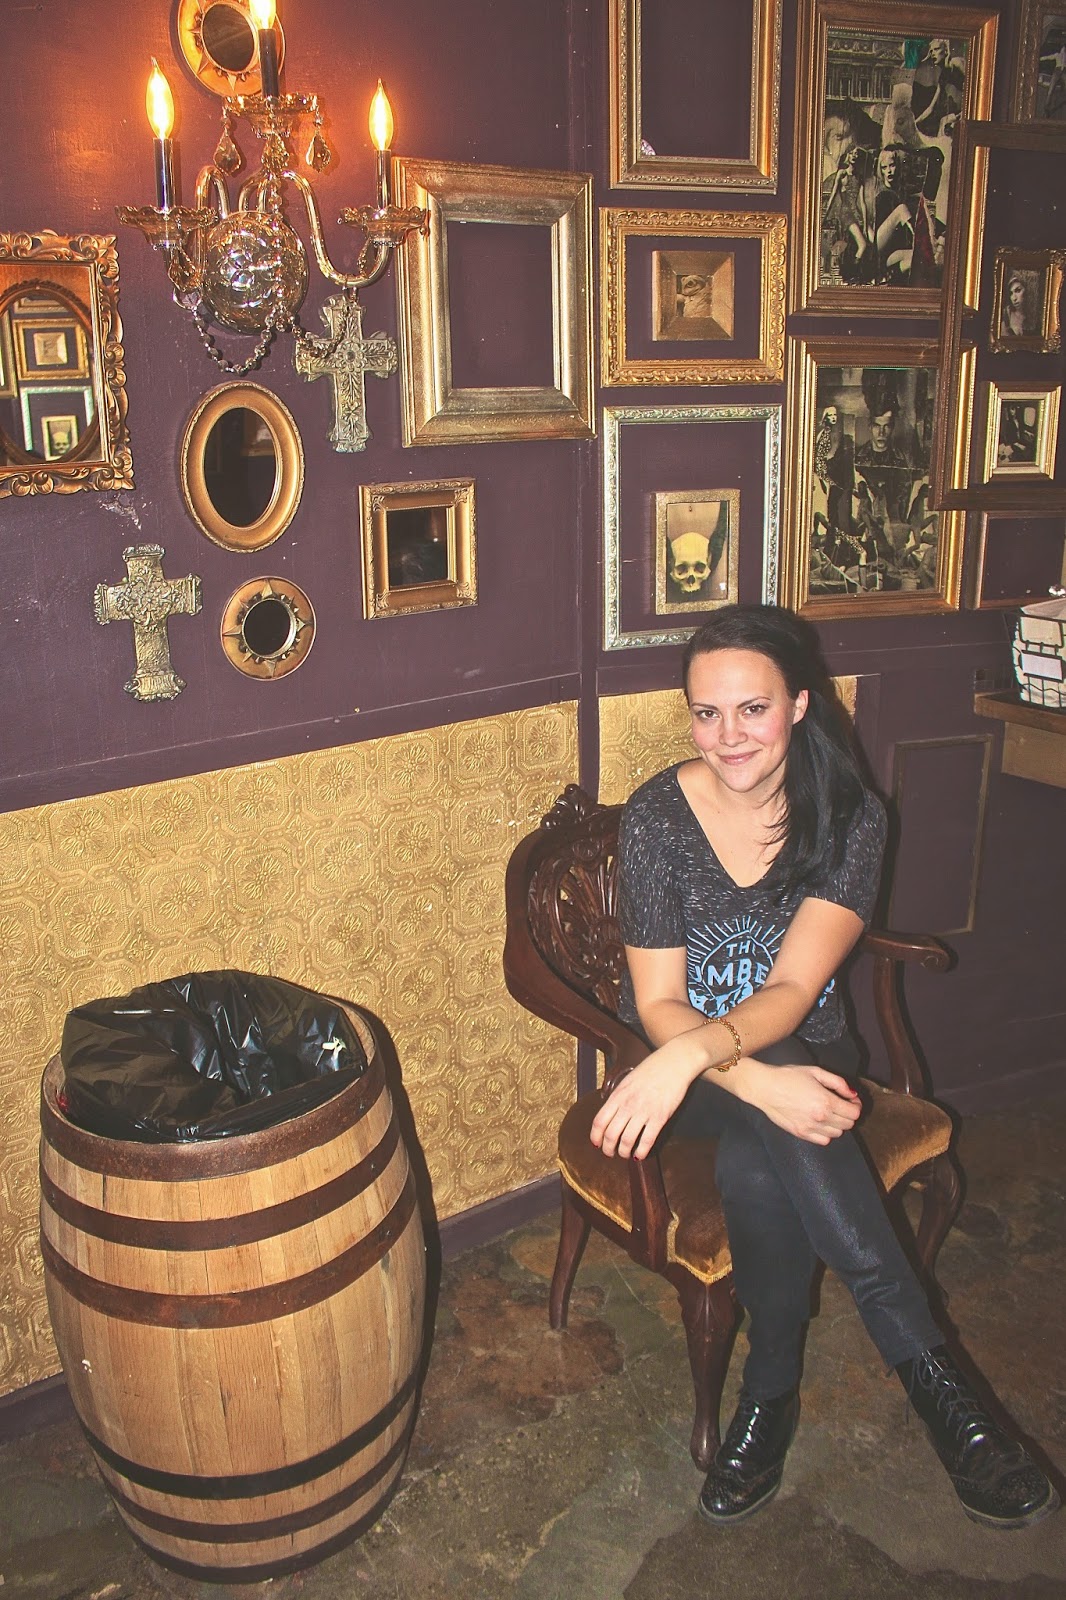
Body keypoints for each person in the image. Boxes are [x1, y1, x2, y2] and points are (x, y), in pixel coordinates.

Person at [590, 605, 1059, 1532]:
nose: (728, 736)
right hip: (696, 1080)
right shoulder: (655, 818)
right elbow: (659, 1002)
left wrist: (712, 1057)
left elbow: (796, 988)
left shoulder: (850, 817)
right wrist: (734, 1071)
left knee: (761, 1162)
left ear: (800, 704)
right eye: (706, 713)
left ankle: (769, 1394)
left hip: (794, 1047)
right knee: (772, 1107)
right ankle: (943, 1390)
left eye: (752, 709)